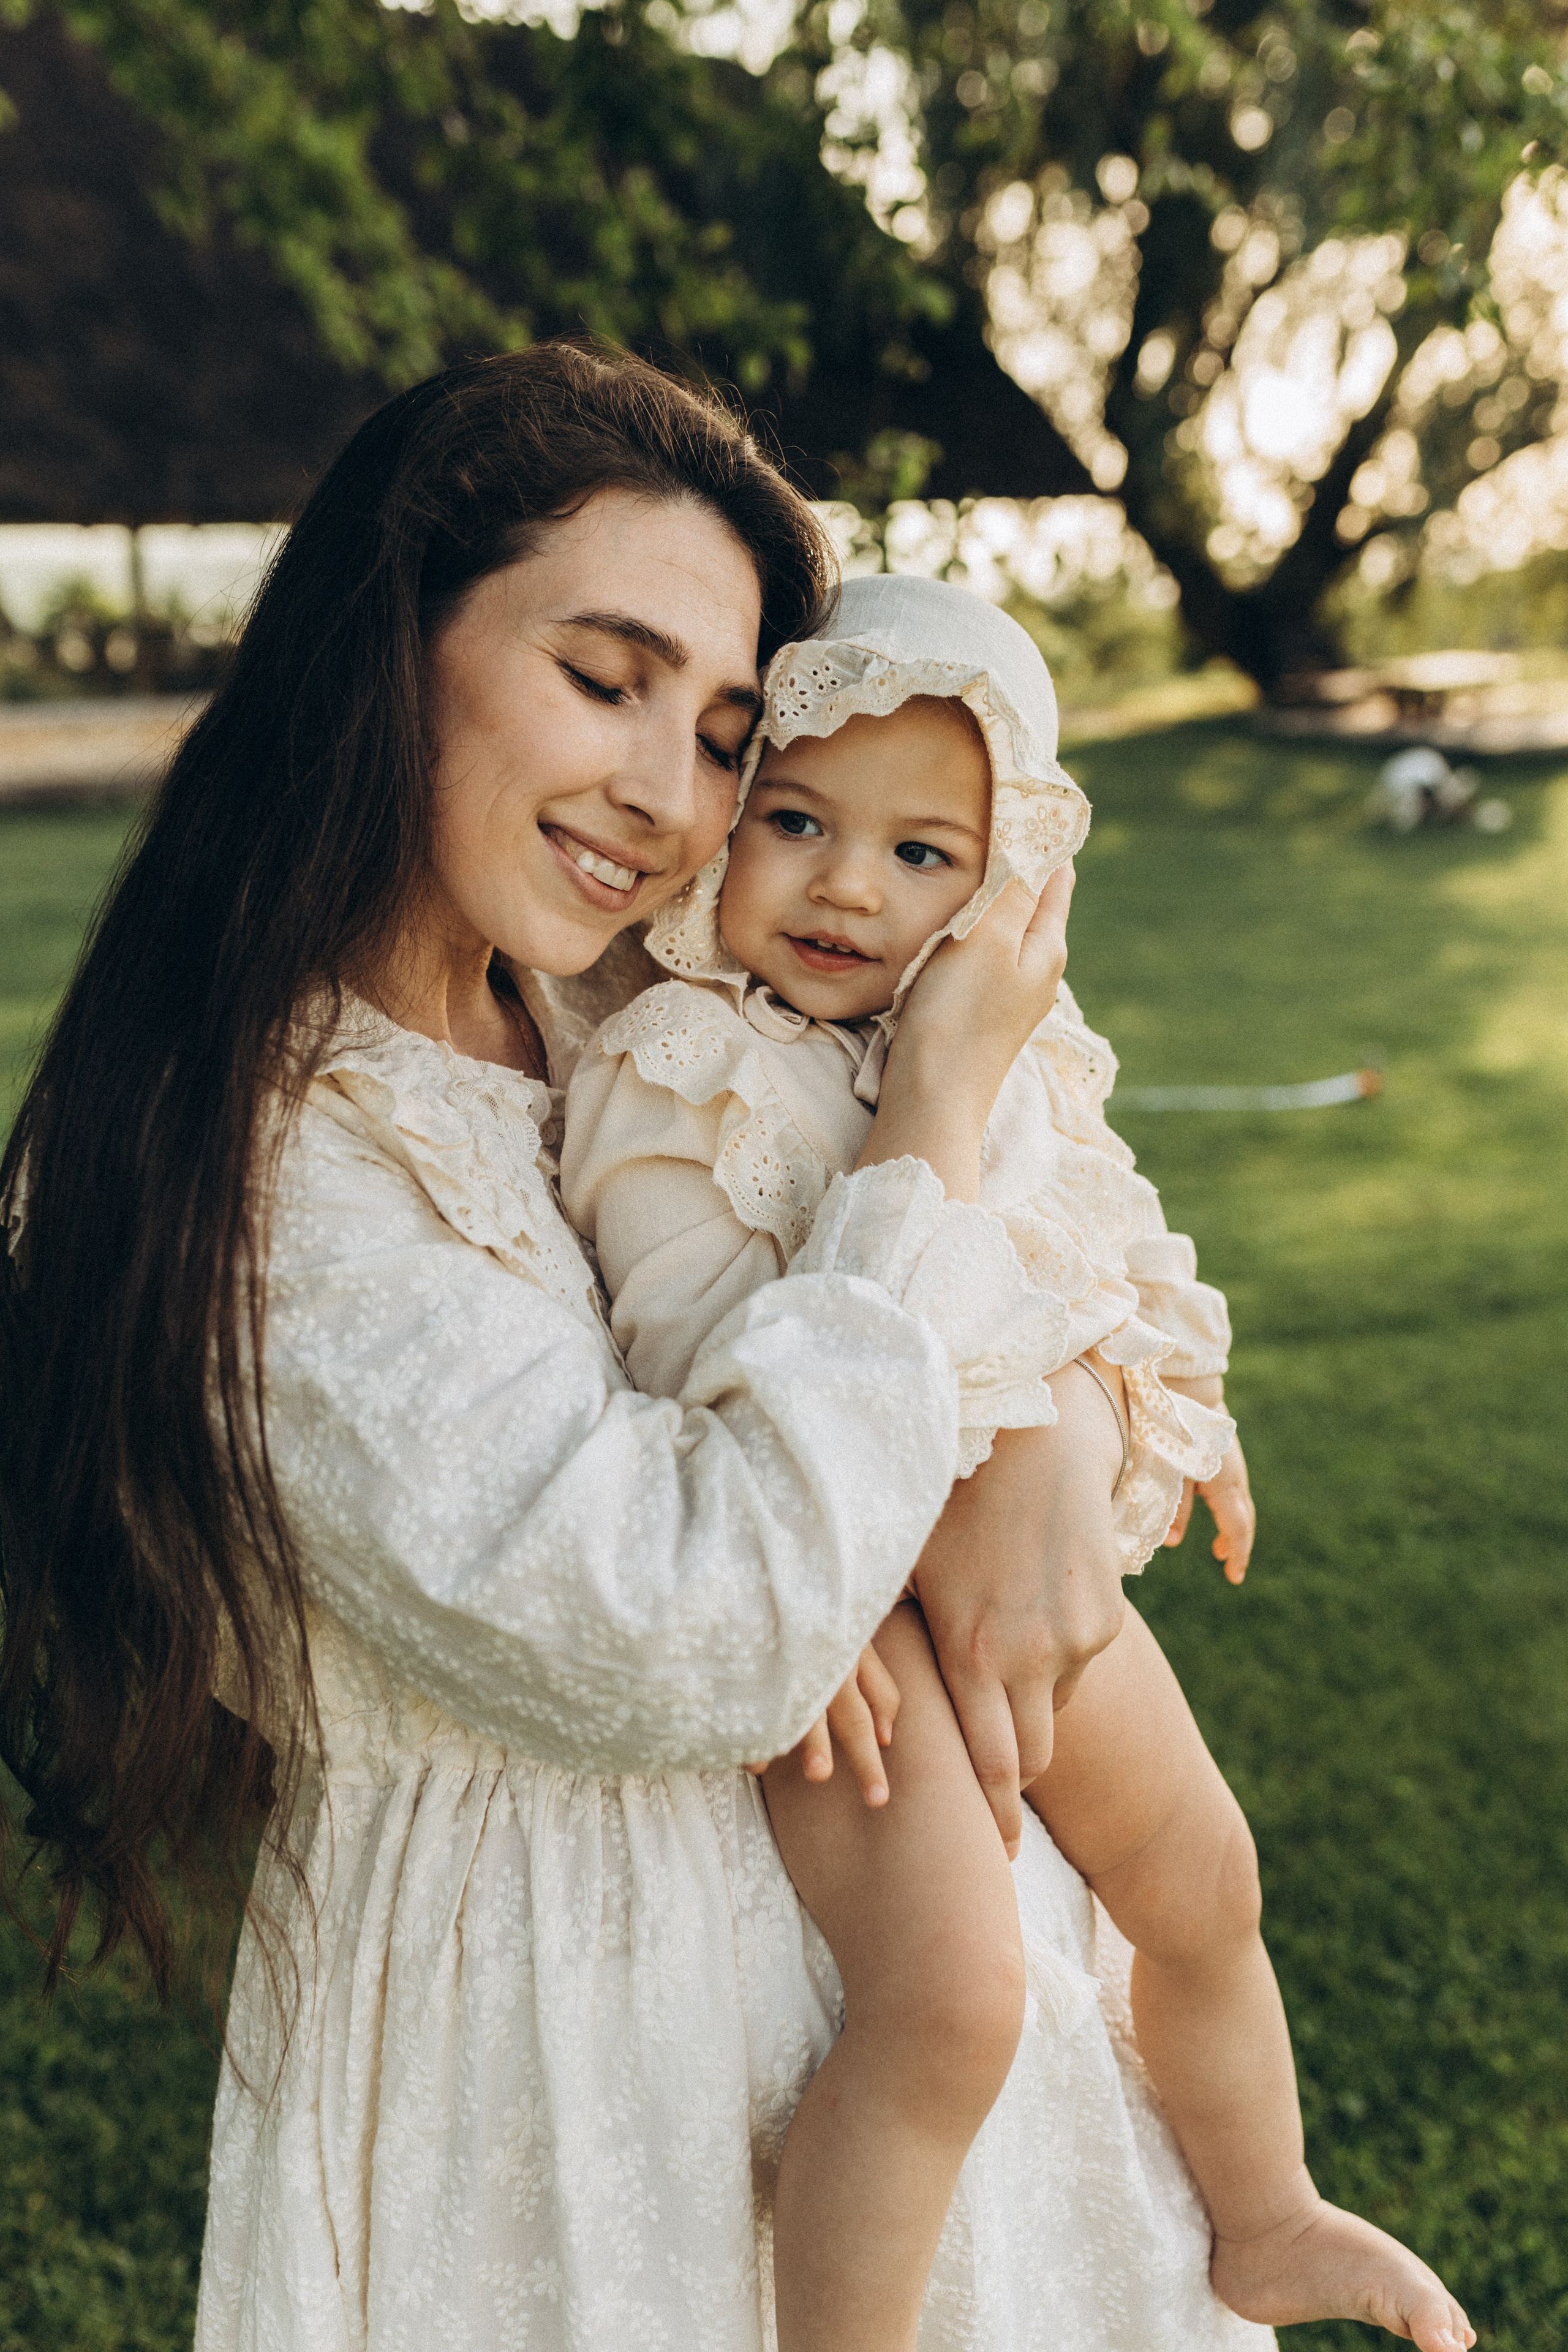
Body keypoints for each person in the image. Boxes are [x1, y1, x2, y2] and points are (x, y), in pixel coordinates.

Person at [0, 341, 1350, 2352]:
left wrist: (1059, 1430)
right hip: (565, 2074)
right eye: (602, 677)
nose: (666, 796)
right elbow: (702, 1620)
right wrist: (933, 1123)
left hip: (907, 1990)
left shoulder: (591, 1002)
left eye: (725, 731)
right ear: (392, 644)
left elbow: (935, 1271)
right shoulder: (273, 1175)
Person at [560, 573, 1477, 2352]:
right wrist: (807, 1609)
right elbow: (672, 1330)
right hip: (841, 1614)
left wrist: (1167, 1410)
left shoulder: (1004, 1059)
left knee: (1206, 1878)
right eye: (802, 823)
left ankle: (1271, 2210)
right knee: (952, 1995)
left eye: (926, 857)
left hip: (1022, 1562)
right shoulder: (675, 1065)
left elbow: (1096, 1242)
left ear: (1011, 887)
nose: (847, 885)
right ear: (725, 827)